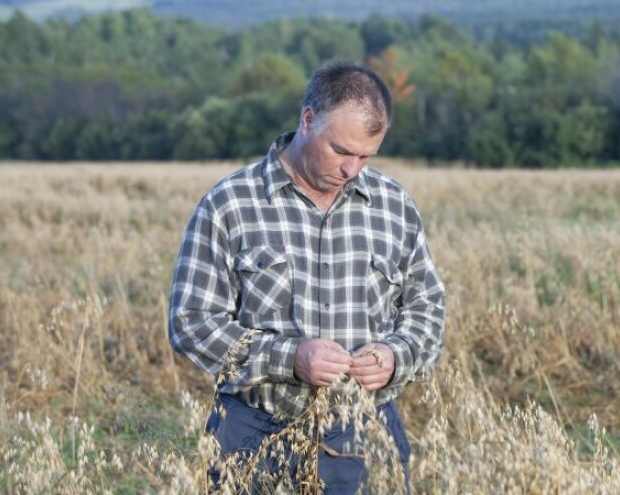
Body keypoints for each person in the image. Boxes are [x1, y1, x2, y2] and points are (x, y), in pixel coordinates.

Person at [167, 61, 446, 493]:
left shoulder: (394, 206)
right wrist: (290, 358)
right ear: (308, 119)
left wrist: (395, 357)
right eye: (340, 150)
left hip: (365, 432)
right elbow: (191, 323)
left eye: (365, 156)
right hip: (253, 431)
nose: (351, 168)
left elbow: (427, 310)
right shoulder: (229, 204)